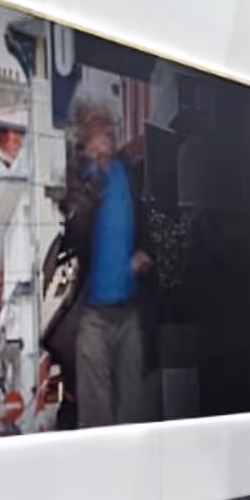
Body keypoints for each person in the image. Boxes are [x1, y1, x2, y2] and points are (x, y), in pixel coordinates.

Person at [64, 99, 152, 428]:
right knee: (97, 414)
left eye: (109, 125)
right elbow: (74, 229)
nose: (108, 131)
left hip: (129, 312)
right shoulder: (77, 175)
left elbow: (145, 217)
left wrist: (144, 251)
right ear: (85, 133)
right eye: (98, 125)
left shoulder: (127, 170)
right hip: (93, 316)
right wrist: (95, 173)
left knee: (133, 408)